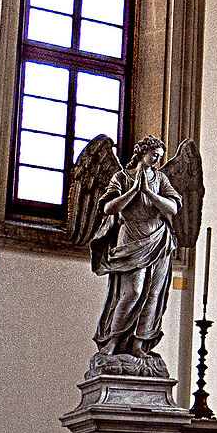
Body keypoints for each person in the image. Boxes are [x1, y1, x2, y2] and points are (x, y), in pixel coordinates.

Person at [87, 138, 186, 364]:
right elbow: (108, 207)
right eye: (154, 155)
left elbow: (173, 207)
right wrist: (134, 190)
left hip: (158, 239)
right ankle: (113, 339)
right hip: (131, 236)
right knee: (133, 291)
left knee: (153, 294)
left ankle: (139, 343)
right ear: (142, 153)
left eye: (160, 156)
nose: (157, 159)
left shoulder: (160, 178)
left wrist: (150, 193)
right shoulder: (121, 177)